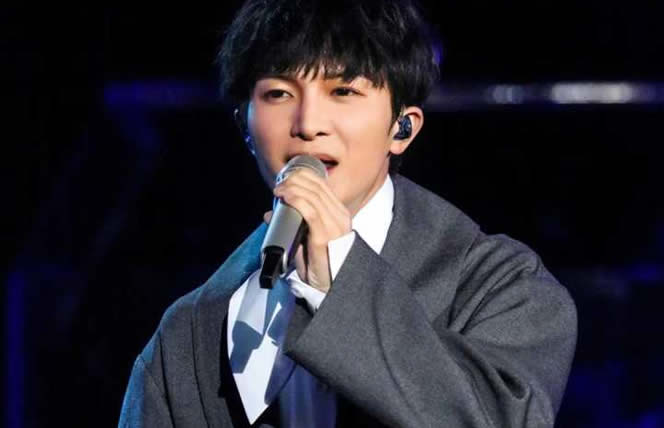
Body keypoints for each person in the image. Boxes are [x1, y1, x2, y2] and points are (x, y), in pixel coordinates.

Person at [118, 0, 577, 426]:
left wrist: (341, 279)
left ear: (402, 127)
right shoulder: (187, 335)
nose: (308, 125)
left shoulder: (501, 286)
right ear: (245, 125)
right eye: (279, 93)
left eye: (343, 90)